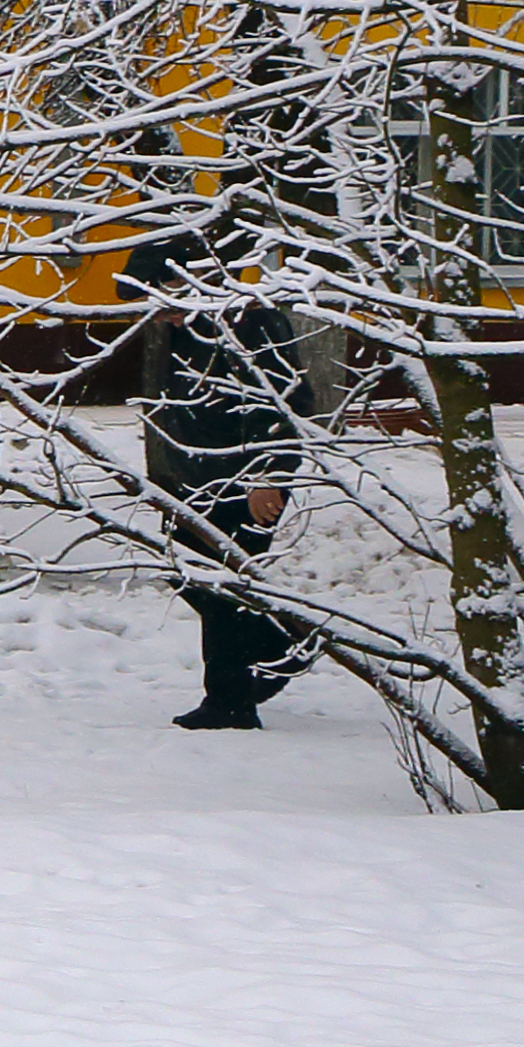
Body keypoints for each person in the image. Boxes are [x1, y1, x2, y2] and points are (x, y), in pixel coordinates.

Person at [127, 225, 309, 730]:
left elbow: (286, 404)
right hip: (198, 478)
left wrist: (268, 476)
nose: (154, 312)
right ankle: (282, 641)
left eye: (159, 298)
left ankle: (231, 701)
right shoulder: (185, 330)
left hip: (250, 481)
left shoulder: (253, 325)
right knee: (189, 570)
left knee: (224, 585)